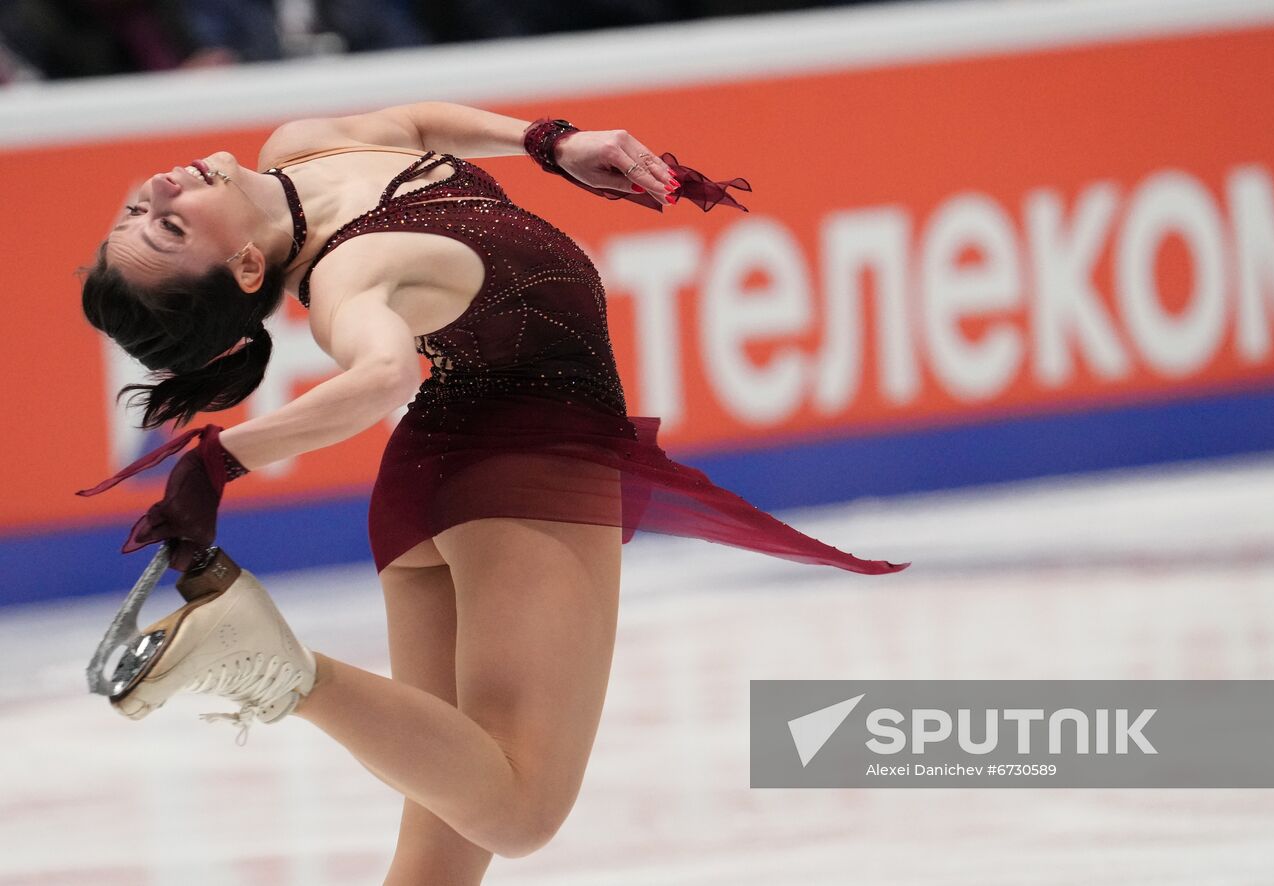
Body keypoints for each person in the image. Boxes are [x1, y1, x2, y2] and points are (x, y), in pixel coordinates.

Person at [75, 103, 910, 881]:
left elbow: (411, 121)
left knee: (442, 853)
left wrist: (551, 144)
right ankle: (283, 673)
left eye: (138, 216)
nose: (156, 190)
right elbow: (382, 375)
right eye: (170, 225)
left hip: (439, 473)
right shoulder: (347, 275)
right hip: (523, 465)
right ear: (247, 265)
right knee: (519, 812)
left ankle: (284, 671)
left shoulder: (299, 147)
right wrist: (220, 460)